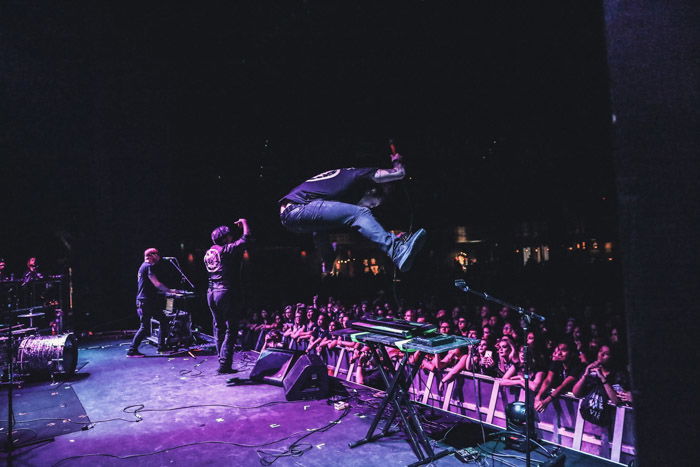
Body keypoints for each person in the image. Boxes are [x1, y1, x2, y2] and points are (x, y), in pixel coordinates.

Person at [279, 152, 427, 274]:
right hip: (297, 208)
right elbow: (399, 174)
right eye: (373, 203)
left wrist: (328, 262)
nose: (371, 207)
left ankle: (329, 264)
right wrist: (397, 161)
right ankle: (396, 250)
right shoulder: (357, 174)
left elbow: (318, 232)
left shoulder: (333, 191)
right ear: (371, 190)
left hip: (291, 217)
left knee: (345, 219)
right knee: (360, 213)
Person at [204, 218, 252, 374]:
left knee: (219, 329)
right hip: (225, 292)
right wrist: (244, 223)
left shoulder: (209, 252)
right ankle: (225, 365)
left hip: (211, 292)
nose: (231, 238)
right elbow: (246, 238)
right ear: (224, 238)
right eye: (229, 236)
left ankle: (221, 361)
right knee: (231, 329)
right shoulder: (225, 250)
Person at [127, 248, 176, 357]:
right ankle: (132, 350)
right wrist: (170, 291)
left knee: (163, 320)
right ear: (152, 255)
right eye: (157, 255)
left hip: (147, 301)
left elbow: (148, 285)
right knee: (145, 327)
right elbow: (157, 284)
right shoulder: (148, 267)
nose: (159, 258)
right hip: (146, 301)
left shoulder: (142, 267)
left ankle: (161, 347)